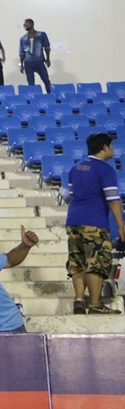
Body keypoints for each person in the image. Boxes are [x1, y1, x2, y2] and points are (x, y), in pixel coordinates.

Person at [65, 133, 124, 315]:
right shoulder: (105, 170)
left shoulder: (75, 168)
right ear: (104, 147)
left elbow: (71, 195)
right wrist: (121, 225)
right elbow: (113, 200)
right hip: (94, 221)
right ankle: (95, 304)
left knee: (78, 261)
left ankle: (79, 300)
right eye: (111, 146)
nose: (112, 149)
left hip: (73, 220)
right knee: (97, 262)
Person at [18, 19, 52, 93]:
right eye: (24, 25)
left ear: (31, 24)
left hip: (39, 61)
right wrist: (21, 64)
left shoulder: (41, 35)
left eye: (26, 24)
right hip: (28, 63)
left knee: (46, 80)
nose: (24, 25)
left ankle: (50, 95)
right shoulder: (23, 38)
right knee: (30, 82)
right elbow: (21, 53)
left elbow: (47, 47)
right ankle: (34, 96)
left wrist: (48, 59)